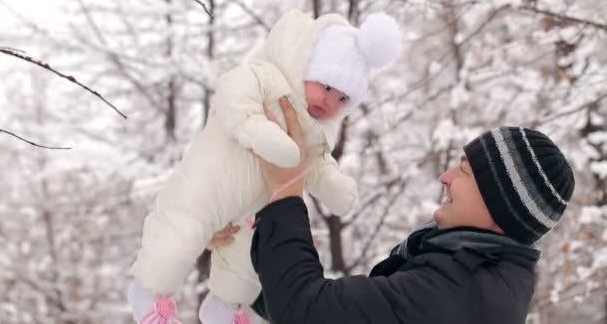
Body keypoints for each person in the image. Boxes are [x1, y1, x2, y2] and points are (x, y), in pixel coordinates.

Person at [127, 9, 401, 324]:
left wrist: (332, 184)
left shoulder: (317, 133)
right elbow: (234, 98)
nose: (329, 102)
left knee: (250, 257)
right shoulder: (266, 77)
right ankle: (148, 293)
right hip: (208, 186)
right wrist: (266, 136)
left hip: (250, 211)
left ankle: (225, 307)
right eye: (326, 86)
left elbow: (314, 165)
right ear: (306, 65)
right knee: (181, 231)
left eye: (342, 99)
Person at [211, 97, 576, 324]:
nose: (445, 177)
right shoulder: (473, 279)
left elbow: (305, 311)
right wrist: (239, 251)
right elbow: (316, 310)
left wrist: (287, 192)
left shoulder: (457, 294)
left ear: (500, 205)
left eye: (464, 170)